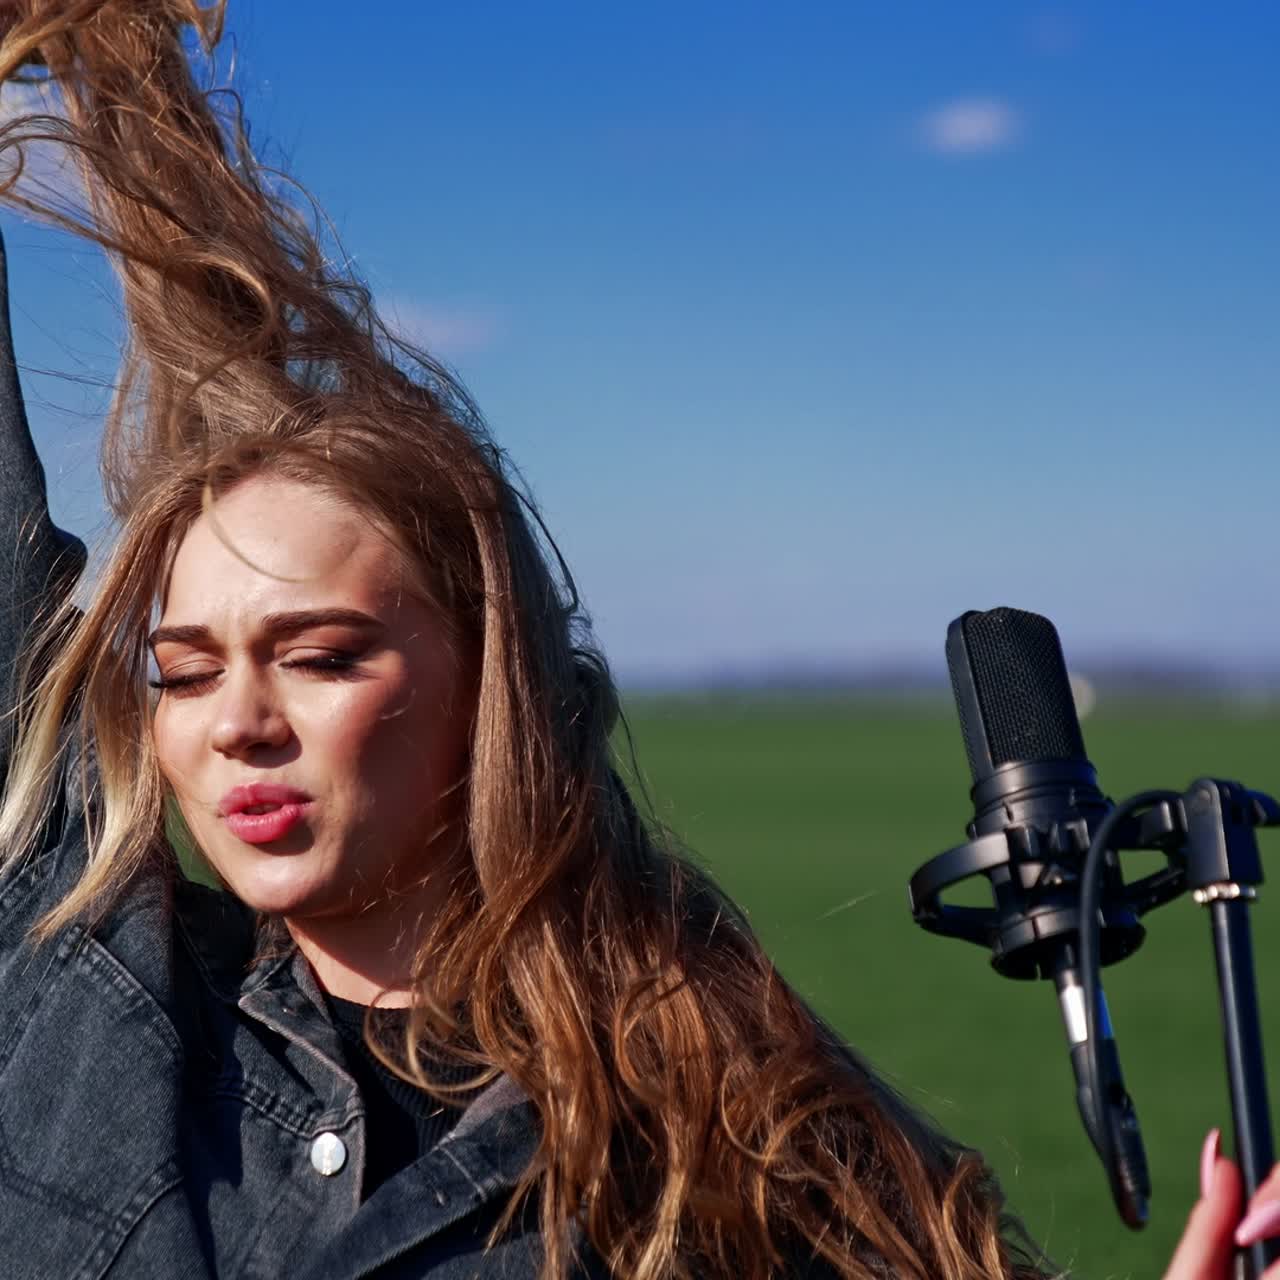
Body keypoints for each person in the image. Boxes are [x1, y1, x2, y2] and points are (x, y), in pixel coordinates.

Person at [0, 4, 1274, 1278]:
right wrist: (118, 70)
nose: (238, 723)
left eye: (324, 654)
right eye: (183, 670)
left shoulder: (720, 1135)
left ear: (490, 685)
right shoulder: (92, 981)